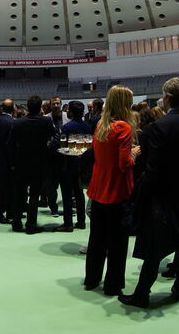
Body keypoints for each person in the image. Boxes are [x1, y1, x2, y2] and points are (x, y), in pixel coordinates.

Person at [120, 77, 179, 308]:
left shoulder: (157, 128)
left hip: (162, 193)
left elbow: (153, 168)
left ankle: (142, 293)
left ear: (167, 99)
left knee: (154, 243)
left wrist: (140, 197)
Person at [84, 87, 137, 295]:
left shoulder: (100, 125)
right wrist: (134, 154)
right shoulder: (123, 127)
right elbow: (124, 164)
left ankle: (92, 279)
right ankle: (113, 285)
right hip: (117, 191)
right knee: (117, 242)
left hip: (98, 189)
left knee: (97, 239)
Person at [7, 96, 56, 234]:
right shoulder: (46, 121)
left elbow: (10, 144)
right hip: (39, 163)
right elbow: (54, 137)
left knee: (19, 194)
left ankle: (16, 223)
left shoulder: (18, 122)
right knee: (34, 195)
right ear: (40, 107)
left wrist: (13, 163)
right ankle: (31, 225)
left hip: (21, 164)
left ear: (28, 107)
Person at [58, 101, 91, 232]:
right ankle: (81, 221)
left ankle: (68, 223)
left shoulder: (66, 128)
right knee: (79, 194)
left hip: (68, 165)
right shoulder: (88, 127)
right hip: (83, 165)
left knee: (67, 195)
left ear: (70, 112)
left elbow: (63, 147)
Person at [0, 100, 15, 224]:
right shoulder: (11, 122)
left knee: (2, 188)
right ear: (13, 109)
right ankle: (0, 214)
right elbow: (10, 144)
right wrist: (12, 163)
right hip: (7, 160)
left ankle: (6, 213)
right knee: (7, 189)